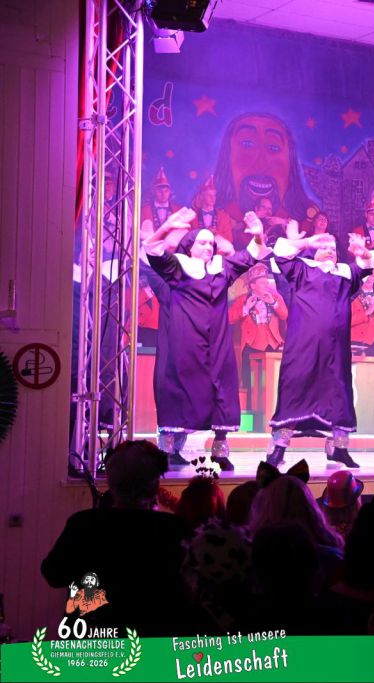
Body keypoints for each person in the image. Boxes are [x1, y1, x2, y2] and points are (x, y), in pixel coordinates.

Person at [143, 207, 271, 470]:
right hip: (186, 345)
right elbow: (152, 250)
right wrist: (167, 226)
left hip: (217, 345)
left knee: (222, 393)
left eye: (211, 243)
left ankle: (220, 451)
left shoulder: (222, 268)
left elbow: (252, 254)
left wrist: (258, 235)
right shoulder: (178, 268)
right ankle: (166, 451)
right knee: (178, 392)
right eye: (202, 243)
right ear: (189, 247)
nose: (208, 247)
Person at [41, 441, 193, 636]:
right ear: (155, 486)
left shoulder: (83, 524)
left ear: (111, 483)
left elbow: (53, 574)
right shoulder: (174, 529)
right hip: (155, 637)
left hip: (92, 638)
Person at [265, 222, 374, 469]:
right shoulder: (301, 269)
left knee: (338, 395)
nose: (330, 251)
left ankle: (339, 449)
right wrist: (305, 242)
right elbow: (281, 252)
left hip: (335, 350)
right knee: (295, 390)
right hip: (302, 345)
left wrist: (363, 252)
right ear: (313, 251)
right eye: (324, 247)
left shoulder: (345, 274)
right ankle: (279, 447)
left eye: (334, 248)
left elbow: (367, 265)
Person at [228, 263, 287, 355]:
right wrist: (246, 308)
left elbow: (284, 316)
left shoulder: (275, 298)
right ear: (253, 286)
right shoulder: (241, 300)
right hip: (250, 346)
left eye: (267, 283)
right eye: (263, 283)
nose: (266, 286)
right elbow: (229, 319)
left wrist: (273, 303)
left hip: (274, 345)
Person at [190, 175, 237, 250]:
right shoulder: (192, 216)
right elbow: (188, 240)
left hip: (219, 253)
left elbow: (229, 240)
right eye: (209, 195)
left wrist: (216, 233)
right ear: (202, 197)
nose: (213, 198)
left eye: (214, 195)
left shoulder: (224, 217)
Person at [139, 167, 181, 235]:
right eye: (159, 191)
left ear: (170, 192)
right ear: (153, 191)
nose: (163, 194)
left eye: (166, 191)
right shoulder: (144, 210)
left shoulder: (178, 210)